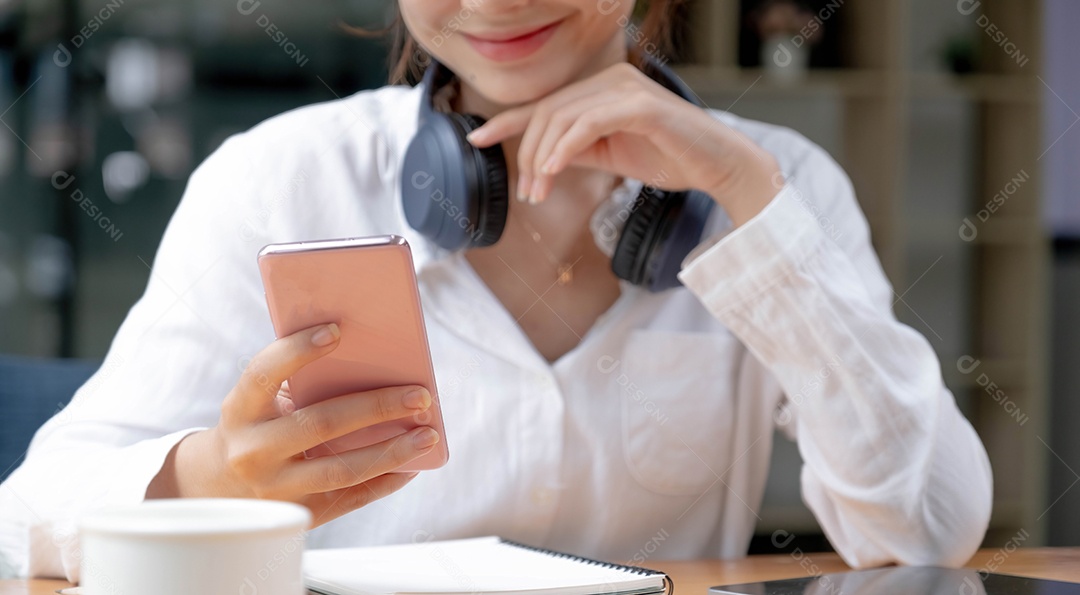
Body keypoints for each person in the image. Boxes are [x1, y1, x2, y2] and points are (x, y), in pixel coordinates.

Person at [0, 0, 992, 582]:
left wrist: (749, 200)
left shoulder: (778, 185)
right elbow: (22, 518)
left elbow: (928, 535)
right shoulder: (281, 179)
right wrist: (214, 476)